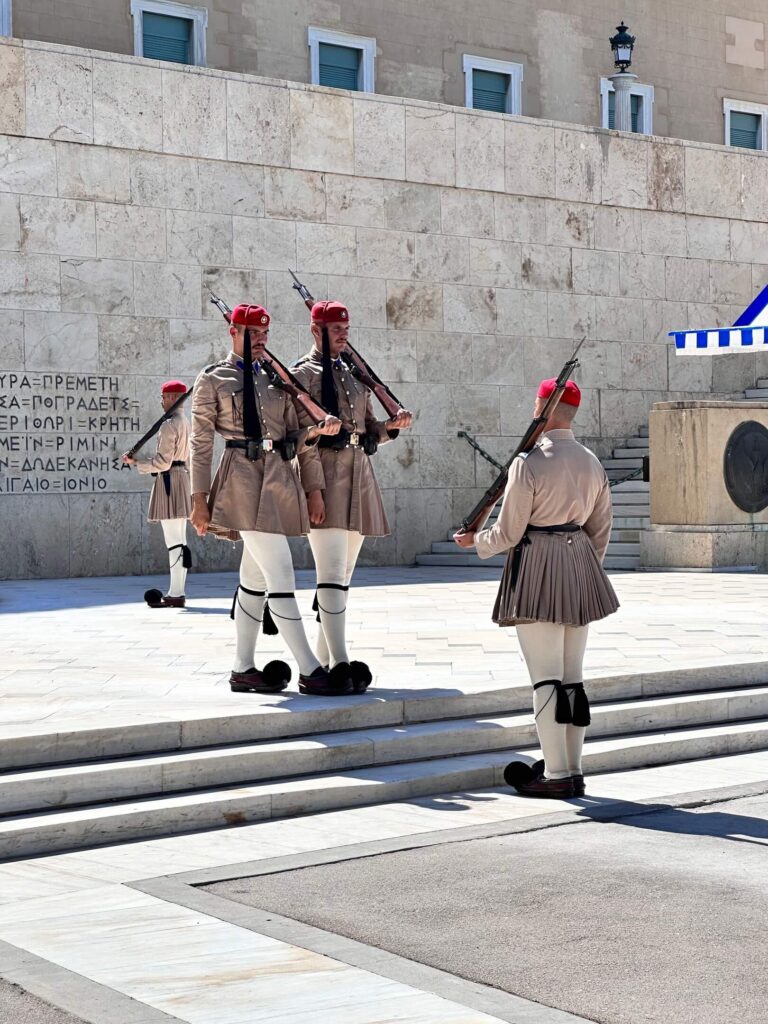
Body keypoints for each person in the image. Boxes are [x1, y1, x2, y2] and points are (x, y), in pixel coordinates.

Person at [454, 378, 619, 798]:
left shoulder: (528, 462)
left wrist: (477, 542)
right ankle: (573, 768)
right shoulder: (591, 461)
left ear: (541, 407)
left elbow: (509, 531)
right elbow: (600, 530)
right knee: (572, 680)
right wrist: (582, 568)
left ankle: (556, 774)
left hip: (538, 564)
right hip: (580, 564)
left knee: (545, 679)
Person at [189, 303, 344, 697]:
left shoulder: (279, 380)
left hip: (278, 477)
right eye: (252, 334)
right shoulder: (213, 379)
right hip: (240, 479)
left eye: (264, 334)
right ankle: (310, 670)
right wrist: (198, 498)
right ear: (233, 332)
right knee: (281, 574)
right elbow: (201, 444)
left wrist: (313, 483)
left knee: (253, 580)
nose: (260, 340)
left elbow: (298, 439)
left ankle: (243, 669)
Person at [292, 300, 413, 692]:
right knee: (329, 574)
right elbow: (304, 443)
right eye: (336, 329)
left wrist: (391, 427)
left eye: (346, 328)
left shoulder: (355, 374)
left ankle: (324, 661)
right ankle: (342, 661)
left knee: (342, 577)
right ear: (316, 331)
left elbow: (369, 429)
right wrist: (313, 491)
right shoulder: (302, 377)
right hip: (325, 476)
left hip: (358, 473)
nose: (344, 334)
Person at [123, 380, 192, 609]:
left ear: (172, 398)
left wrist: (137, 463)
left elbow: (163, 463)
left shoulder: (169, 425)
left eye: (164, 398)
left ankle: (176, 592)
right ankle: (178, 590)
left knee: (174, 542)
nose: (162, 402)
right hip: (182, 479)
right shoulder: (186, 422)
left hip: (170, 481)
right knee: (180, 541)